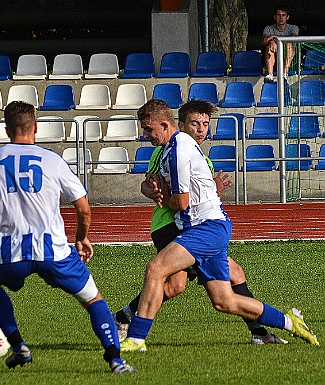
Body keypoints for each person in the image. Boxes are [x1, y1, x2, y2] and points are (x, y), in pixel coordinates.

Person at [119, 99, 319, 352]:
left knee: (156, 269)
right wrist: (154, 190)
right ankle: (290, 322)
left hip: (205, 228)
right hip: (207, 227)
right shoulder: (172, 149)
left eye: (148, 129)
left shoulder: (179, 149)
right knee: (224, 301)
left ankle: (136, 338)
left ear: (165, 124)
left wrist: (163, 197)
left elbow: (181, 203)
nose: (145, 135)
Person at [0, 101, 136, 374]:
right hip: (54, 252)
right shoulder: (53, 160)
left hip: (9, 254)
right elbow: (83, 208)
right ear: (36, 128)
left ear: (6, 130)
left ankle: (18, 346)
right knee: (93, 300)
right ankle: (116, 360)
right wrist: (81, 238)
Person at [262, 4, 299, 82]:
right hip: (274, 53)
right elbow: (264, 41)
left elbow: (293, 39)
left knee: (289, 44)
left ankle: (284, 74)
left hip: (290, 57)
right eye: (279, 15)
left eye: (283, 15)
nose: (281, 17)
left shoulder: (293, 27)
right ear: (275, 17)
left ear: (287, 17)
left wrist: (274, 37)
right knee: (269, 45)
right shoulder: (268, 28)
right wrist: (271, 41)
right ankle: (270, 75)